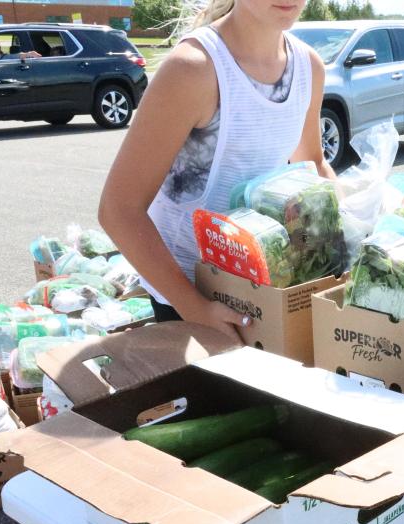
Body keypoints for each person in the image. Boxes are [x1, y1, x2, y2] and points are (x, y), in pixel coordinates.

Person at [98, 0, 331, 339]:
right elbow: (118, 210)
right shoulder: (194, 69)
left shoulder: (309, 67)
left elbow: (313, 162)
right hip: (189, 296)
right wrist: (194, 308)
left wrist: (351, 236)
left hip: (265, 286)